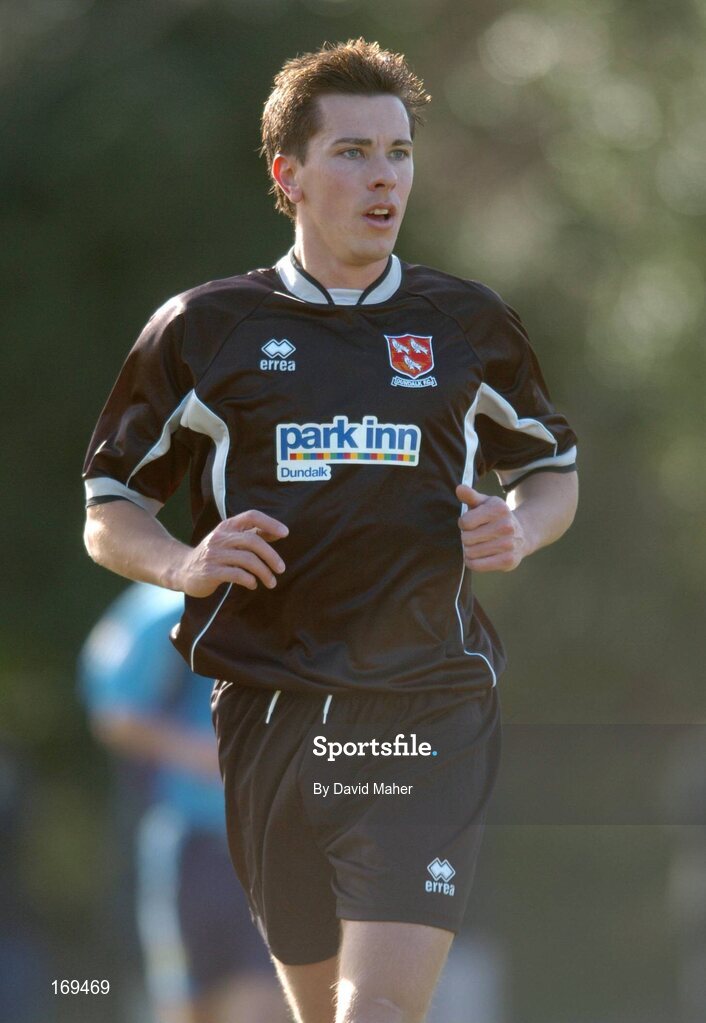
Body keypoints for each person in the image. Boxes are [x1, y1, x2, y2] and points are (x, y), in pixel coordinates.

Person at [82, 38, 578, 1023]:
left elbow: (551, 472)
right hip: (269, 716)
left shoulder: (466, 323)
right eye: (352, 151)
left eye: (398, 152)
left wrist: (520, 529)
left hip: (426, 706)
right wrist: (183, 561)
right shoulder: (203, 330)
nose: (384, 175)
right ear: (289, 175)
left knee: (375, 1012)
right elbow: (108, 509)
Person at [79, 582, 289, 1023]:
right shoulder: (167, 604)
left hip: (275, 850)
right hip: (191, 845)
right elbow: (115, 713)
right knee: (187, 1007)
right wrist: (216, 759)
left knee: (264, 1004)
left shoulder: (313, 597)